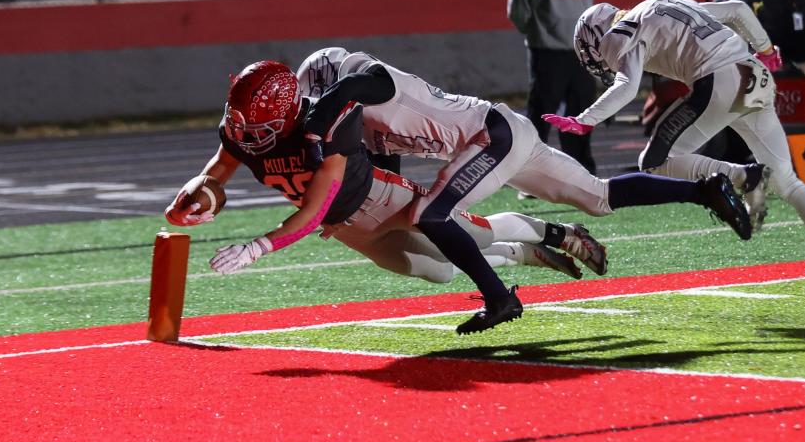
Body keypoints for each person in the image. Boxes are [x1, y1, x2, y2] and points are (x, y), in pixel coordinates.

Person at [300, 48, 754, 334]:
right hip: (502, 134)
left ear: (326, 85)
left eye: (317, 100)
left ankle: (499, 298)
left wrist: (317, 123)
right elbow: (382, 172)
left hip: (489, 136)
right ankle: (705, 190)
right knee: (598, 196)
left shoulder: (364, 78)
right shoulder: (359, 112)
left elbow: (354, 86)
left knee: (432, 216)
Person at [164, 61, 608, 319]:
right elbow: (217, 172)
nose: (244, 133)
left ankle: (554, 232)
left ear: (283, 115)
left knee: (475, 236)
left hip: (380, 200)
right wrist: (200, 196)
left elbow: (315, 208)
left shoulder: (324, 123)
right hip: (345, 226)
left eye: (255, 124)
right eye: (239, 121)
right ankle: (520, 255)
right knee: (438, 272)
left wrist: (259, 246)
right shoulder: (243, 130)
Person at [542, 0, 805, 315]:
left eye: (591, 50)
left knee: (653, 163)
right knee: (787, 182)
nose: (597, 59)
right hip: (755, 73)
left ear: (597, 34)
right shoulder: (665, 2)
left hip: (719, 78)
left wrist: (585, 121)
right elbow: (738, 9)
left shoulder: (621, 30)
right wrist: (765, 49)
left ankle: (745, 176)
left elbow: (627, 85)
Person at [507, 0, 598, 180]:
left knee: (581, 114)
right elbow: (517, 9)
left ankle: (580, 175)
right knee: (541, 115)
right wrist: (539, 33)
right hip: (547, 50)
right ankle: (531, 177)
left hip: (579, 50)